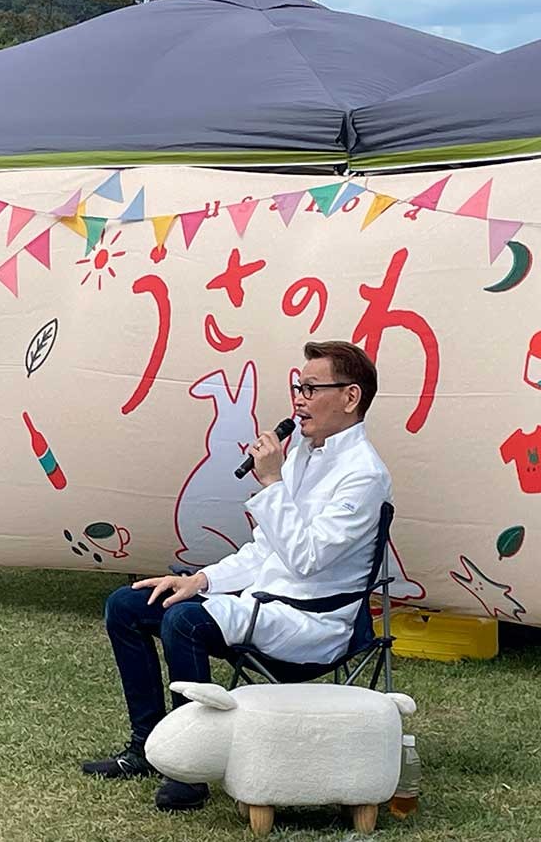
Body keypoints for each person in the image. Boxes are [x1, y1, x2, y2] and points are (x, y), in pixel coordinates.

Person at [82, 340, 393, 811]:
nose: (299, 399)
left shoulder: (364, 475)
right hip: (265, 603)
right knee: (128, 606)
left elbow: (307, 558)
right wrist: (200, 580)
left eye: (311, 388)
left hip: (312, 623)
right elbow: (266, 551)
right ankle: (148, 747)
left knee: (184, 622)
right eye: (297, 386)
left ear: (350, 397)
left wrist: (270, 483)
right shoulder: (305, 454)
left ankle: (190, 771)